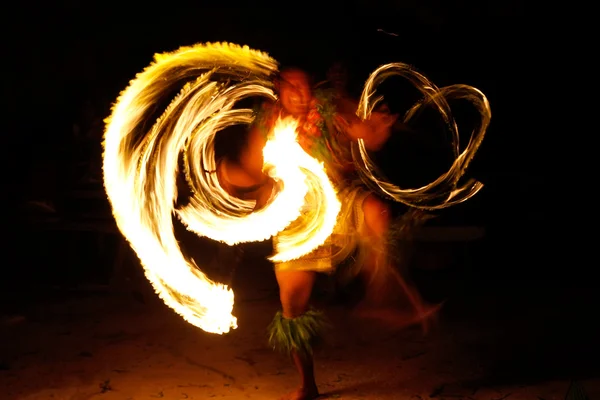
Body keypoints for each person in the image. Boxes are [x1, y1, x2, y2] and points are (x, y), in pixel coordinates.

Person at [216, 67, 430, 400]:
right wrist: (230, 177)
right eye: (293, 89)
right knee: (292, 308)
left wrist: (378, 130)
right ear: (279, 88)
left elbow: (366, 135)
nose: (301, 96)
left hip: (338, 204)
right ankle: (308, 383)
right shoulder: (266, 125)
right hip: (296, 221)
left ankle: (381, 296)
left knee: (375, 212)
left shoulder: (328, 111)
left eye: (306, 89)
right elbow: (251, 174)